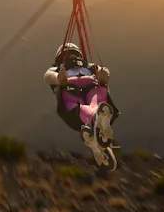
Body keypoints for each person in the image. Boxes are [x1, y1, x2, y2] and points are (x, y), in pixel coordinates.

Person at [44, 42, 118, 170]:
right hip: (70, 89)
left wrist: (103, 74)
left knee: (95, 101)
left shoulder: (90, 67)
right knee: (82, 107)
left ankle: (96, 132)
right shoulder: (58, 70)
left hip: (89, 87)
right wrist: (58, 78)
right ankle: (97, 123)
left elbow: (102, 70)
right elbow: (48, 77)